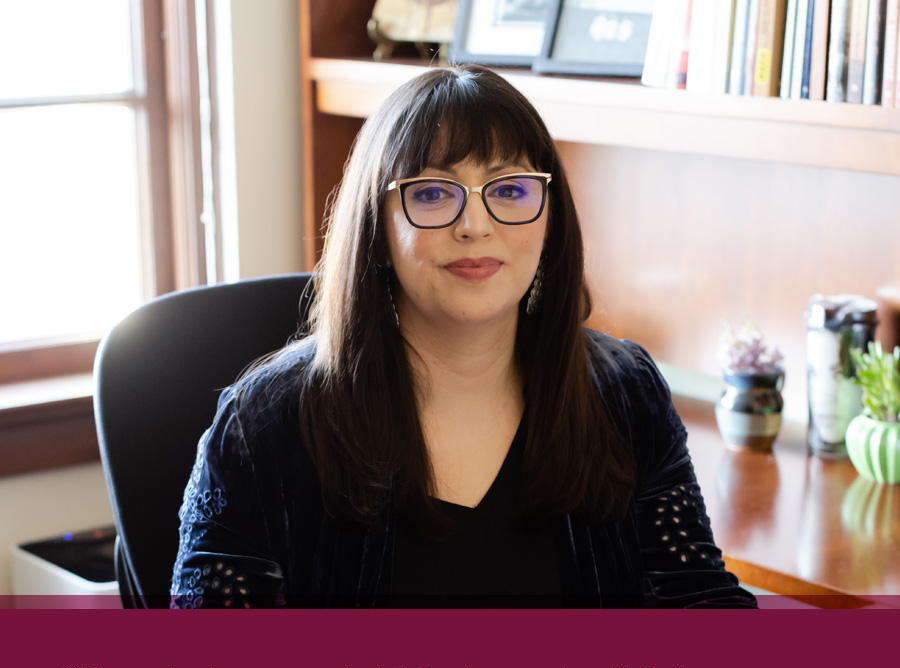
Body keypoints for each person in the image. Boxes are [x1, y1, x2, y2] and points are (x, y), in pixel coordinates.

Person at [170, 65, 756, 609]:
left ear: (550, 218)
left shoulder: (624, 393)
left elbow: (699, 600)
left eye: (508, 190)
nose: (475, 226)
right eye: (431, 193)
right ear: (378, 226)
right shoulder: (264, 427)